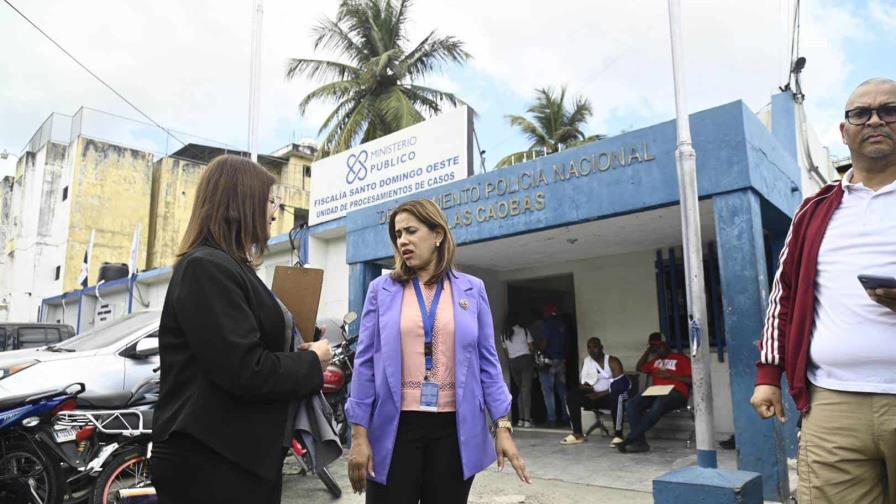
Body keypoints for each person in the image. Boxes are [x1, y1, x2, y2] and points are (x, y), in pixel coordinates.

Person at [152, 155, 333, 503]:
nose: (276, 212)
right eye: (270, 200)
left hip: (235, 458)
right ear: (241, 202)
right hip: (212, 463)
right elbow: (245, 369)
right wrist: (312, 363)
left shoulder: (229, 266)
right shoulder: (206, 267)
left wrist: (297, 348)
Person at [750, 78, 896, 503]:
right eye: (860, 113)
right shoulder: (814, 210)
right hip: (833, 403)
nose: (874, 120)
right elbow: (785, 296)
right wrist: (768, 376)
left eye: (889, 110)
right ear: (844, 131)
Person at [346, 199, 530, 503]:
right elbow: (365, 363)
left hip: (453, 433)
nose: (403, 240)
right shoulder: (381, 290)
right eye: (398, 234)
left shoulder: (473, 288)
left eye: (411, 231)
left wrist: (503, 426)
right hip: (394, 429)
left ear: (437, 235)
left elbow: (488, 362)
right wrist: (359, 435)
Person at [617, 332, 691, 453]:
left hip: (675, 393)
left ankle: (630, 438)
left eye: (658, 345)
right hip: (656, 392)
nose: (656, 349)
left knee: (659, 402)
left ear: (666, 344)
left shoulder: (681, 359)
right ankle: (640, 443)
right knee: (631, 404)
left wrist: (671, 376)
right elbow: (639, 367)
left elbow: (691, 380)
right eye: (653, 346)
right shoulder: (654, 361)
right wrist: (648, 351)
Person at [560, 337, 629, 446]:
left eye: (595, 347)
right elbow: (585, 381)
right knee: (572, 395)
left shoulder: (612, 361)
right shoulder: (587, 362)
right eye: (589, 347)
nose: (592, 350)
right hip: (594, 396)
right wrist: (585, 387)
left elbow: (620, 385)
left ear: (601, 347)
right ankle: (577, 434)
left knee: (618, 396)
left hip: (610, 395)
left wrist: (600, 394)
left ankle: (619, 435)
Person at [535, 304, 570, 426]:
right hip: (561, 360)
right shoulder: (562, 325)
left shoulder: (547, 324)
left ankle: (552, 419)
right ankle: (566, 417)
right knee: (562, 391)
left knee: (548, 391)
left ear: (547, 313)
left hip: (548, 361)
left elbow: (544, 344)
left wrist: (537, 346)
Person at [502, 312, 535, 428]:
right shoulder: (524, 331)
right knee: (526, 390)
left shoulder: (504, 334)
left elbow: (506, 353)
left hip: (513, 362)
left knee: (521, 390)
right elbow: (531, 347)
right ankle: (527, 419)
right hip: (525, 360)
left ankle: (521, 419)